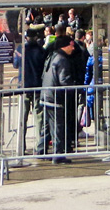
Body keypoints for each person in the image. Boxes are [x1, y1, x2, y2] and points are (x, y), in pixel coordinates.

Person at [40, 35, 76, 163]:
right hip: (55, 97)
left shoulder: (52, 56)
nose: (73, 48)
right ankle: (58, 155)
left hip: (45, 94)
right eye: (71, 45)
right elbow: (64, 80)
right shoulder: (62, 60)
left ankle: (41, 150)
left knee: (46, 126)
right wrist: (75, 87)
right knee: (57, 127)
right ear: (65, 46)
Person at [22, 28, 47, 154]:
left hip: (24, 86)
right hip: (37, 86)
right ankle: (39, 146)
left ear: (26, 37)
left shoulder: (21, 50)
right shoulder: (41, 51)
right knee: (39, 118)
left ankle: (21, 146)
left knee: (23, 117)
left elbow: (16, 64)